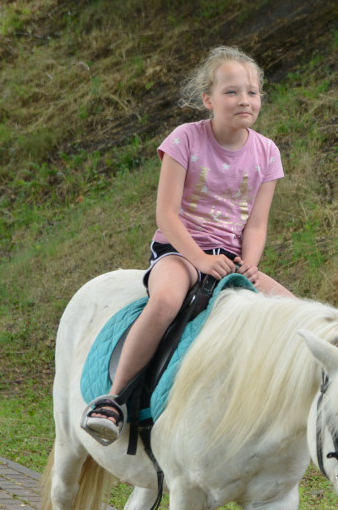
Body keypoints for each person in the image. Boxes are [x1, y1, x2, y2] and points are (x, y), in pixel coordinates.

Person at [84, 45, 294, 445]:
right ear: (208, 99)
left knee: (293, 311)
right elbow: (166, 214)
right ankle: (112, 400)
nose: (244, 100)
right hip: (180, 252)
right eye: (231, 92)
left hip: (231, 260)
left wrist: (249, 264)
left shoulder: (267, 152)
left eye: (252, 91)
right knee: (165, 301)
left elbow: (257, 224)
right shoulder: (185, 140)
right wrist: (198, 259)